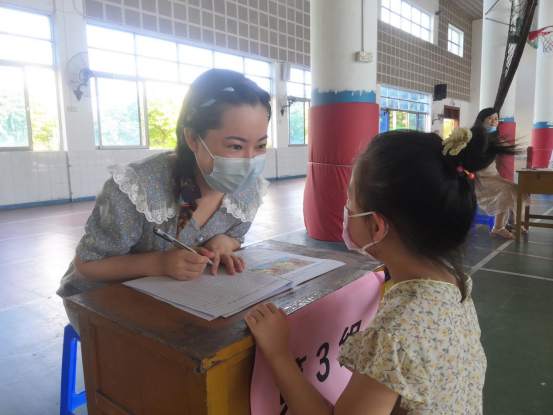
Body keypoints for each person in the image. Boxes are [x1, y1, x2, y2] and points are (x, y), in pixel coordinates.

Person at [245, 126, 509, 414]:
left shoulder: (394, 335)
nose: (346, 208)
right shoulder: (457, 287)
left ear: (377, 225)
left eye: (350, 200)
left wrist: (279, 353)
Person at [57, 69, 272, 332]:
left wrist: (224, 242)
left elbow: (236, 235)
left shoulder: (248, 189)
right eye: (236, 147)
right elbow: (86, 267)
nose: (250, 161)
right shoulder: (138, 188)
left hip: (185, 297)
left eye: (260, 146)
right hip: (103, 301)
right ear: (193, 137)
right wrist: (160, 263)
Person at [473, 108, 530, 239]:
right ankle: (497, 228)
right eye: (490, 118)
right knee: (505, 191)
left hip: (493, 175)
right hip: (479, 178)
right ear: (481, 120)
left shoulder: (494, 137)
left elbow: (506, 149)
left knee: (516, 189)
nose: (493, 122)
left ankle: (512, 222)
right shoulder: (473, 137)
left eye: (496, 119)